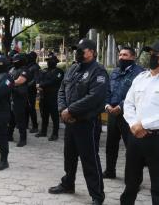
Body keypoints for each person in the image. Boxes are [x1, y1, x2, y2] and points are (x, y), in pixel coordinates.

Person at [120, 41, 159, 205]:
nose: (151, 57)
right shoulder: (141, 78)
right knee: (131, 182)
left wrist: (144, 124)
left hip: (158, 139)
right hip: (135, 137)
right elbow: (128, 104)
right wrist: (134, 124)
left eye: (156, 54)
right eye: (150, 53)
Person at [49, 39, 108, 205]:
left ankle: (97, 195)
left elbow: (95, 97)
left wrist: (71, 110)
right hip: (70, 121)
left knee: (89, 160)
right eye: (77, 50)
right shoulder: (73, 68)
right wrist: (62, 109)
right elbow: (62, 89)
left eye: (82, 50)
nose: (78, 52)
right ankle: (68, 184)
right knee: (69, 156)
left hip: (86, 123)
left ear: (92, 52)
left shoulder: (99, 71)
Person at [103, 47, 144, 179]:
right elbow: (108, 90)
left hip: (129, 115)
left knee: (132, 148)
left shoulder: (140, 73)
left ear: (133, 57)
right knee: (111, 145)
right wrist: (107, 105)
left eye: (125, 55)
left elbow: (137, 95)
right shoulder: (115, 72)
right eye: (120, 55)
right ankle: (110, 171)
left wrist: (120, 107)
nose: (121, 57)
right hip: (112, 113)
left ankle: (134, 178)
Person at [35, 53, 64, 141]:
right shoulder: (43, 70)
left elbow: (53, 81)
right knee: (44, 114)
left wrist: (41, 84)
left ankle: (55, 134)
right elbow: (38, 79)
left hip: (53, 96)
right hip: (44, 96)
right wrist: (39, 84)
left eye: (51, 61)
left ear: (55, 62)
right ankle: (43, 131)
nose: (49, 62)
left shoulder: (59, 72)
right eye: (48, 61)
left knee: (54, 116)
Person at [8, 53, 29, 147]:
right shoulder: (12, 69)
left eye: (16, 61)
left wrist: (9, 83)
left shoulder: (24, 69)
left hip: (20, 96)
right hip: (11, 95)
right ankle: (9, 135)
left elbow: (21, 80)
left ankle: (23, 139)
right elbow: (7, 78)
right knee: (11, 118)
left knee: (20, 119)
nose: (14, 62)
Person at [26, 51, 40, 133]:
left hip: (31, 91)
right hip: (26, 90)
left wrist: (27, 85)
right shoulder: (28, 66)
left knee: (32, 109)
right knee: (26, 108)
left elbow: (35, 80)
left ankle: (35, 126)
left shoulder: (35, 67)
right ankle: (26, 123)